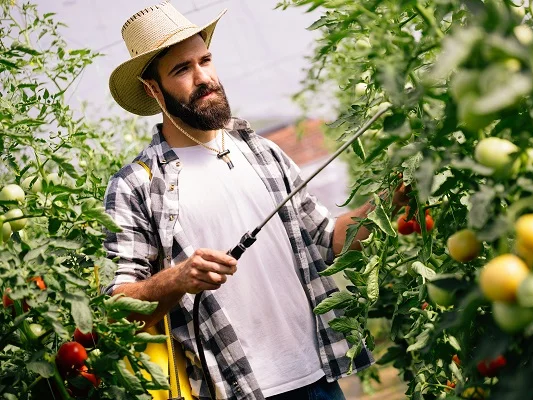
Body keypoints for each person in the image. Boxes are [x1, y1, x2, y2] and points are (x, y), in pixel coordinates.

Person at [103, 2, 409, 399]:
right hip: (238, 390)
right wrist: (178, 278)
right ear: (152, 89)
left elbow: (328, 240)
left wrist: (388, 202)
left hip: (319, 377)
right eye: (182, 69)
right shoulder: (137, 186)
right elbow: (118, 310)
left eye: (205, 60)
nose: (203, 77)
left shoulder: (262, 151)